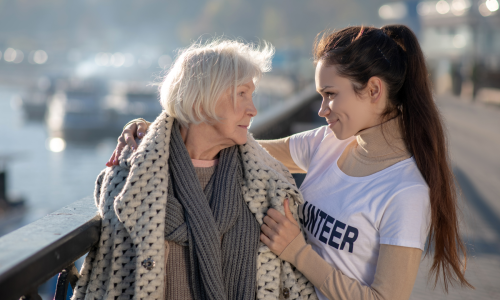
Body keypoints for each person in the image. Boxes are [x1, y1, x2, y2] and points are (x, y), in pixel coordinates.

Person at [114, 25, 474, 300]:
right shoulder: (329, 142)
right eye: (320, 96)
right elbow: (241, 145)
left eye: (331, 95)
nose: (322, 110)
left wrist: (298, 253)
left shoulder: (405, 191)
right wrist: (163, 129)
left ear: (374, 90)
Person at [74, 39, 319, 300]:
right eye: (242, 94)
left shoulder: (268, 182)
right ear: (203, 99)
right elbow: (109, 274)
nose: (253, 110)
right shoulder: (132, 177)